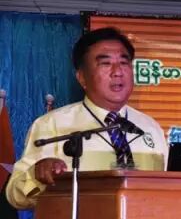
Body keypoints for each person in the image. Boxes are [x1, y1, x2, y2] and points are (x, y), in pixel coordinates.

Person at [5, 27, 168, 209]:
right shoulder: (52, 125)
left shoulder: (150, 127)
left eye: (124, 62)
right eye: (105, 63)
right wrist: (35, 175)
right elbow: (15, 196)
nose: (118, 72)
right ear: (82, 77)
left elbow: (168, 189)